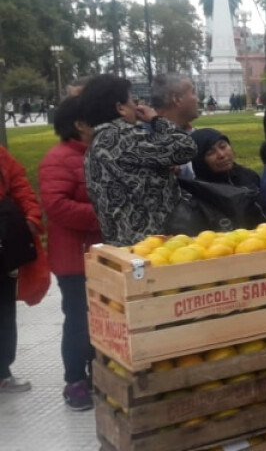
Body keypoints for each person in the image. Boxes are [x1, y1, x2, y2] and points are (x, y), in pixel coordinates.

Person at [37, 96, 102, 410]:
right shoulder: (58, 159)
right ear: (80, 125)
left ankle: (98, 374)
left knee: (102, 318)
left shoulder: (97, 154)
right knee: (78, 319)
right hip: (74, 258)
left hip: (100, 254)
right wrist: (104, 215)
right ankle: (74, 380)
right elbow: (57, 206)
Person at [80, 74, 197, 246]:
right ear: (120, 108)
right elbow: (186, 147)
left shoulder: (94, 147)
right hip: (152, 244)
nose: (136, 106)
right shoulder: (124, 137)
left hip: (121, 245)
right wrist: (156, 120)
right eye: (132, 101)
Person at [0, 145, 43, 394]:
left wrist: (32, 216)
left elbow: (18, 183)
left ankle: (2, 372)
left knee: (4, 307)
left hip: (4, 241)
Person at [151, 74, 201, 180]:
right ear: (177, 99)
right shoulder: (144, 141)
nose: (198, 99)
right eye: (193, 93)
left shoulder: (195, 135)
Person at [190, 128, 262, 190]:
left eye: (223, 146)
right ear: (199, 161)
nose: (221, 155)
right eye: (210, 153)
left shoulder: (249, 176)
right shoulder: (198, 192)